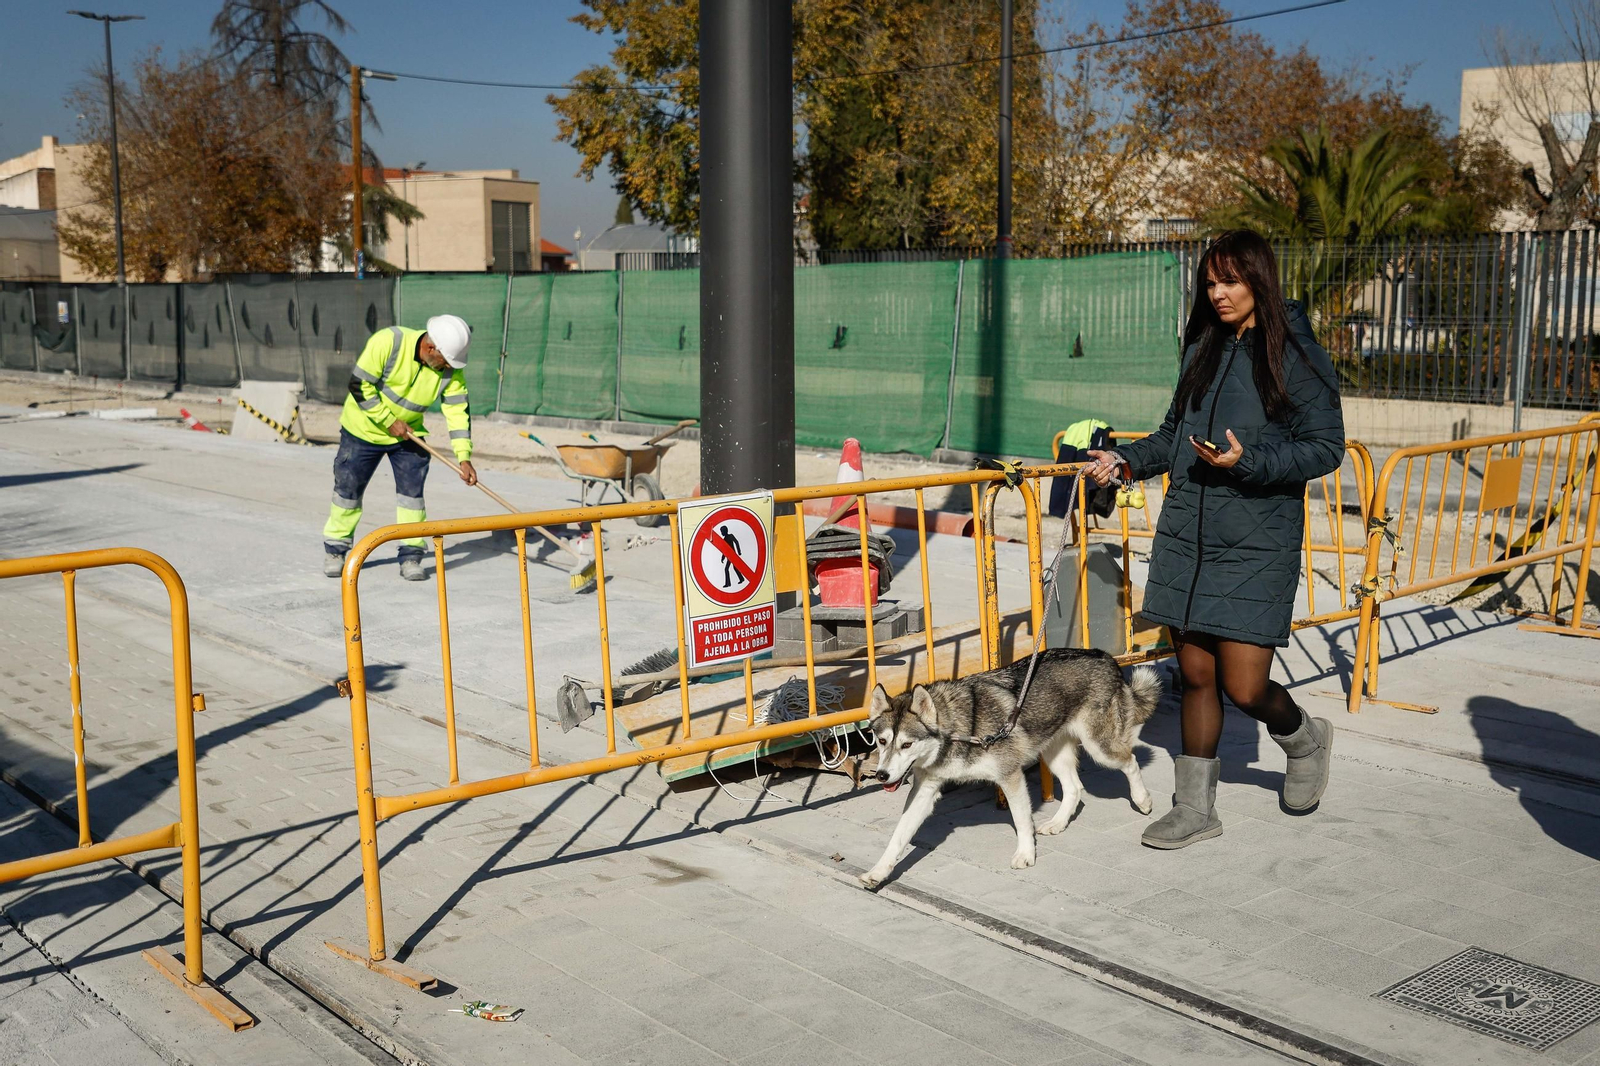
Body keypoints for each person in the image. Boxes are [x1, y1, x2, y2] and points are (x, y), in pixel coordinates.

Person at [1083, 229, 1344, 849]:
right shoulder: (1202, 342)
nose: (1218, 293)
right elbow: (1175, 430)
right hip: (1187, 536)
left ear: (1259, 280)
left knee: (1244, 685)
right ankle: (1195, 807)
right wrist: (1125, 462)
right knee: (1196, 675)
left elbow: (1324, 447)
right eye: (1209, 283)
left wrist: (1247, 460)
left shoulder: (1297, 355)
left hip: (1257, 541)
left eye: (1230, 281)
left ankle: (1306, 739)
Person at [322, 315, 477, 582]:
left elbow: (457, 411)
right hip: (362, 431)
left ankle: (411, 555)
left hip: (408, 436)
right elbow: (359, 385)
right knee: (347, 491)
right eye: (446, 361)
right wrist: (389, 421)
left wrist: (464, 457)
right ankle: (336, 550)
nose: (449, 367)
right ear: (430, 349)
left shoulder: (450, 366)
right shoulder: (389, 342)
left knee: (412, 498)